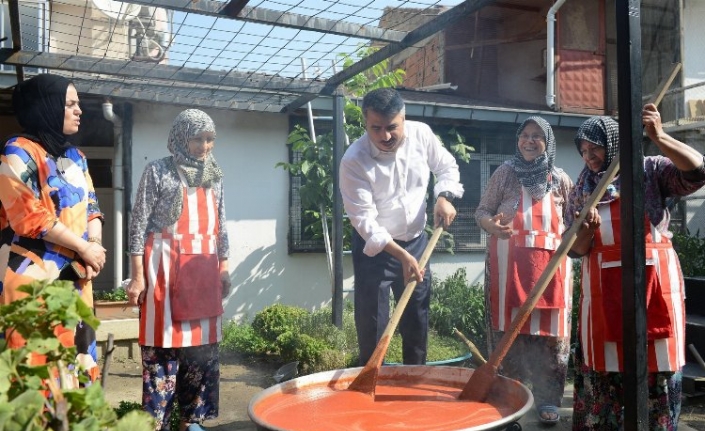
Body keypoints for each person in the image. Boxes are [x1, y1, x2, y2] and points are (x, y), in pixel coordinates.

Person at [566, 105, 705, 430]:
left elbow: (698, 172)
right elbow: (575, 249)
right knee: (606, 379)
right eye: (583, 150)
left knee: (654, 375)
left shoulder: (649, 170)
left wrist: (658, 136)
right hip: (602, 296)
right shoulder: (582, 189)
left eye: (595, 146)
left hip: (652, 288)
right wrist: (585, 229)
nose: (589, 155)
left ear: (613, 141)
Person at [339, 88, 464, 366]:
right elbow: (365, 222)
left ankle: (414, 384)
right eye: (376, 128)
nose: (385, 136)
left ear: (404, 118)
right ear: (365, 123)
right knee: (373, 323)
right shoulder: (353, 160)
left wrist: (443, 197)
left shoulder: (422, 135)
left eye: (392, 127)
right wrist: (401, 255)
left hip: (417, 242)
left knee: (416, 318)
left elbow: (446, 167)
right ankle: (371, 384)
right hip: (376, 250)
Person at [126, 109, 231, 431]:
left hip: (203, 268)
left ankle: (191, 421)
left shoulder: (215, 174)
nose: (204, 146)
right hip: (164, 267)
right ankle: (157, 424)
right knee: (162, 349)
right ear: (180, 138)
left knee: (201, 352)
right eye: (197, 138)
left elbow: (221, 225)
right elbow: (138, 223)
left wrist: (224, 266)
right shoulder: (158, 170)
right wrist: (138, 275)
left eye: (210, 139)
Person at [0, 73, 106, 383]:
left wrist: (95, 245)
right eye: (69, 103)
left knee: (75, 365)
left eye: (78, 104)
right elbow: (28, 216)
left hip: (75, 276)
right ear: (46, 106)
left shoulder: (77, 157)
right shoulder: (17, 151)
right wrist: (84, 247)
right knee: (35, 368)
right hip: (32, 278)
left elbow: (91, 206)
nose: (79, 110)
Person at [474, 116, 573, 425]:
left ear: (548, 142)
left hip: (551, 269)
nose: (529, 141)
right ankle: (509, 401)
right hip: (508, 268)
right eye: (524, 135)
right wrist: (491, 225)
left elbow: (574, 221)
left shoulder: (560, 179)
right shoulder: (505, 173)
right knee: (509, 337)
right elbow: (481, 211)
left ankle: (548, 399)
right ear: (517, 140)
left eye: (537, 136)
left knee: (550, 339)